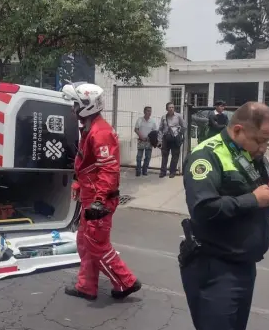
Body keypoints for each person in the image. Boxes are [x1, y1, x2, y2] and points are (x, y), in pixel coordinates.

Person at [180, 102, 269, 330]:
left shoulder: (252, 155)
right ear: (238, 130)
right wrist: (254, 200)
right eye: (260, 140)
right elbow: (202, 209)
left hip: (244, 265)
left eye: (267, 142)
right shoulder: (206, 155)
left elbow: (252, 204)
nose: (263, 148)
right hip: (215, 267)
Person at [61, 82, 141, 301]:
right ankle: (86, 287)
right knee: (84, 242)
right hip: (92, 196)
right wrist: (79, 184)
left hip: (100, 199)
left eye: (75, 104)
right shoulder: (90, 128)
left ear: (86, 105)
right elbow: (90, 164)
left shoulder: (100, 132)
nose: (72, 109)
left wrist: (98, 200)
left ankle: (126, 282)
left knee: (96, 245)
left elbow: (108, 168)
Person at [157, 102, 186, 178]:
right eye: (169, 107)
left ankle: (172, 172)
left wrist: (179, 133)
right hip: (166, 138)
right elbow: (160, 129)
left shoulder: (178, 116)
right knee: (164, 155)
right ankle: (163, 172)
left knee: (175, 155)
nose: (171, 109)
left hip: (175, 138)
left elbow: (184, 126)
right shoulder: (164, 117)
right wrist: (159, 140)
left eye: (172, 107)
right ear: (167, 109)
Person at [134, 106, 158, 176]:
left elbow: (155, 132)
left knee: (147, 157)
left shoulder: (152, 121)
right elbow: (136, 129)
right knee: (139, 157)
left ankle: (145, 171)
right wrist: (141, 137)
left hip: (149, 142)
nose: (149, 112)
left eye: (150, 111)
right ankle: (138, 171)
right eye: (147, 111)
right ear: (144, 112)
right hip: (141, 141)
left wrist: (149, 138)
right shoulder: (139, 120)